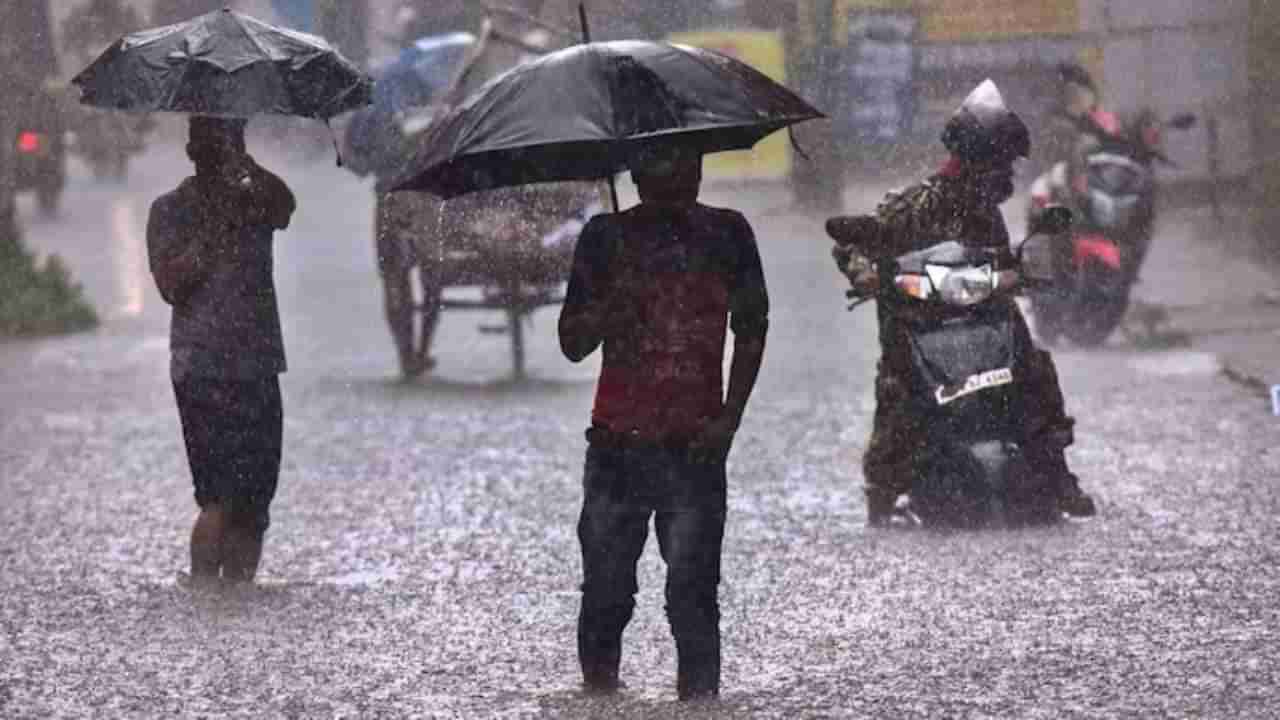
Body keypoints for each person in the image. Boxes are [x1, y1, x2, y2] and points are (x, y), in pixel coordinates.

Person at [827, 79, 1097, 525]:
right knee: (897, 386)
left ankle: (1055, 472)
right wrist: (867, 274)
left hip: (985, 315)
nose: (1008, 173)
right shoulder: (913, 205)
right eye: (1001, 162)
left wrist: (1023, 268)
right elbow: (856, 245)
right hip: (920, 321)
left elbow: (1005, 258)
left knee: (1033, 365)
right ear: (978, 160)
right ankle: (884, 488)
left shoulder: (987, 213)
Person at [558, 145, 769, 701]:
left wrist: (728, 421)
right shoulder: (604, 239)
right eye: (665, 166)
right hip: (617, 446)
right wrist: (612, 304)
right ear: (636, 175)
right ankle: (599, 698)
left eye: (688, 164)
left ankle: (699, 704)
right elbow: (572, 342)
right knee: (605, 592)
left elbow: (753, 327)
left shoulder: (728, 234)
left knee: (694, 595)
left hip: (696, 446)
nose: (679, 177)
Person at [147, 116, 296, 588]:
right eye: (219, 144)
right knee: (218, 497)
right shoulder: (170, 210)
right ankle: (206, 591)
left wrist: (248, 173)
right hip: (203, 368)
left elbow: (286, 206)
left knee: (254, 500)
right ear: (194, 151)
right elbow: (171, 284)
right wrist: (211, 232)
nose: (225, 153)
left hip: (256, 364)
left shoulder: (257, 200)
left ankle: (236, 593)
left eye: (235, 143)